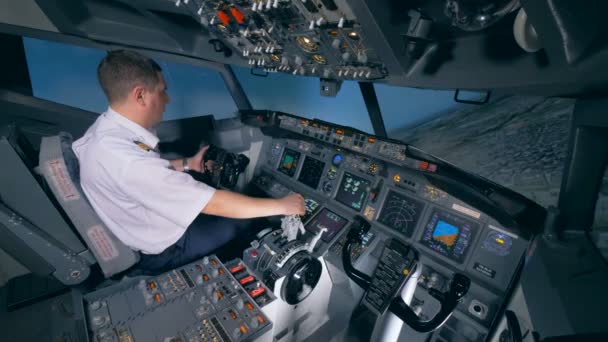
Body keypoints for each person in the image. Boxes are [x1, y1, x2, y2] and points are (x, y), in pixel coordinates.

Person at [73, 50, 305, 272]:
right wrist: (282, 205)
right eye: (162, 91)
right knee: (249, 221)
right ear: (140, 95)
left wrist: (187, 164)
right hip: (166, 249)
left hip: (140, 228)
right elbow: (213, 204)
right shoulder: (126, 160)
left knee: (227, 198)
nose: (167, 99)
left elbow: (136, 176)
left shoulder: (103, 131)